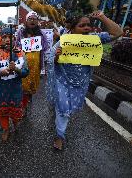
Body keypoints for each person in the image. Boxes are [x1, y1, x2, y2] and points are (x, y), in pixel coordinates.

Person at [46, 11, 123, 150]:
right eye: (82, 25)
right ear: (73, 28)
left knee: (68, 110)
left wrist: (102, 17)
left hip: (80, 82)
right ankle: (60, 136)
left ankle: (60, 130)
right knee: (63, 109)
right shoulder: (64, 40)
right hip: (62, 80)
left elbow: (117, 33)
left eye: (89, 25)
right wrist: (57, 57)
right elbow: (50, 60)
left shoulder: (94, 39)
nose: (87, 28)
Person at [0, 27, 29, 141]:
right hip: (1, 90)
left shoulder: (20, 53)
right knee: (2, 112)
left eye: (10, 37)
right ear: (0, 39)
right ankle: (6, 129)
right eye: (4, 37)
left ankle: (16, 125)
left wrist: (17, 69)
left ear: (15, 38)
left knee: (16, 111)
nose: (7, 40)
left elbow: (26, 72)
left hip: (15, 89)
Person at [15, 11, 50, 113]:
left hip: (36, 64)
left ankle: (28, 98)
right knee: (22, 83)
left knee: (31, 84)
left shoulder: (42, 34)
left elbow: (46, 48)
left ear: (37, 21)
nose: (32, 21)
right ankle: (22, 103)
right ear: (26, 21)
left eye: (35, 19)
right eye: (30, 19)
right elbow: (16, 45)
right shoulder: (21, 33)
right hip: (23, 63)